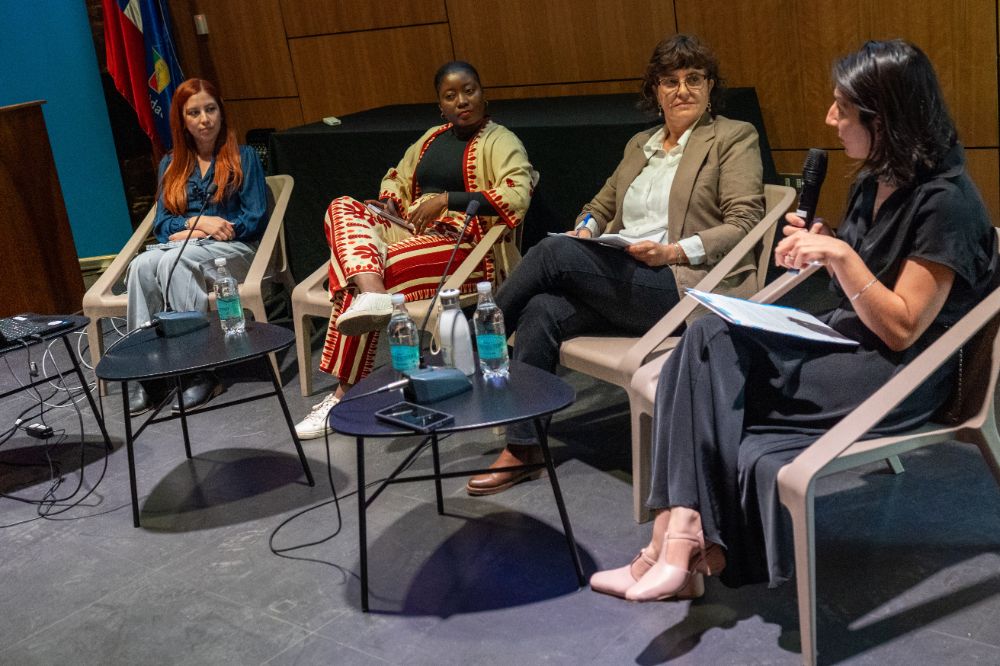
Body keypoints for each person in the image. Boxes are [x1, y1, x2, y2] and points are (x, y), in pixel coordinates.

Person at [590, 39, 999, 602]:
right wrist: (826, 245)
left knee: (704, 370)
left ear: (884, 120)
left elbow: (903, 326)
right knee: (708, 332)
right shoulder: (872, 179)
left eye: (842, 109)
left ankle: (671, 549)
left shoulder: (947, 202)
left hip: (898, 375)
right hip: (848, 343)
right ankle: (678, 540)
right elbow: (861, 282)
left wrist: (841, 257)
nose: (830, 119)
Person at [465, 34, 765, 496]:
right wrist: (586, 227)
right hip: (624, 277)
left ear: (710, 87)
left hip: (684, 286)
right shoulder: (639, 145)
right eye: (670, 81)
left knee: (551, 253)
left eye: (693, 79)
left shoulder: (732, 136)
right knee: (543, 307)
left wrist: (673, 251)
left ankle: (466, 341)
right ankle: (524, 448)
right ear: (656, 91)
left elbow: (745, 222)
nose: (682, 90)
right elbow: (598, 206)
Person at [294, 61, 537, 440]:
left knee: (366, 275)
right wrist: (391, 201)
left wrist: (445, 200)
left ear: (483, 92)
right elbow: (395, 175)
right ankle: (373, 295)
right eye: (450, 95)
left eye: (469, 90)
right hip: (410, 232)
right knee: (342, 206)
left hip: (465, 246)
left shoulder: (500, 140)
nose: (462, 101)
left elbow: (518, 193)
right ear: (440, 105)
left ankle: (343, 392)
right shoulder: (431, 138)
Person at [126, 78, 267, 416]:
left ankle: (199, 370)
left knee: (176, 260)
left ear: (221, 112)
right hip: (189, 247)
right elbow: (162, 226)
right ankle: (149, 373)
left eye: (210, 109)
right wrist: (197, 224)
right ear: (182, 120)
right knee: (141, 266)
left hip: (237, 252)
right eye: (194, 112)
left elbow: (255, 218)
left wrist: (209, 232)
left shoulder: (244, 157)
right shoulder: (170, 165)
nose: (204, 119)